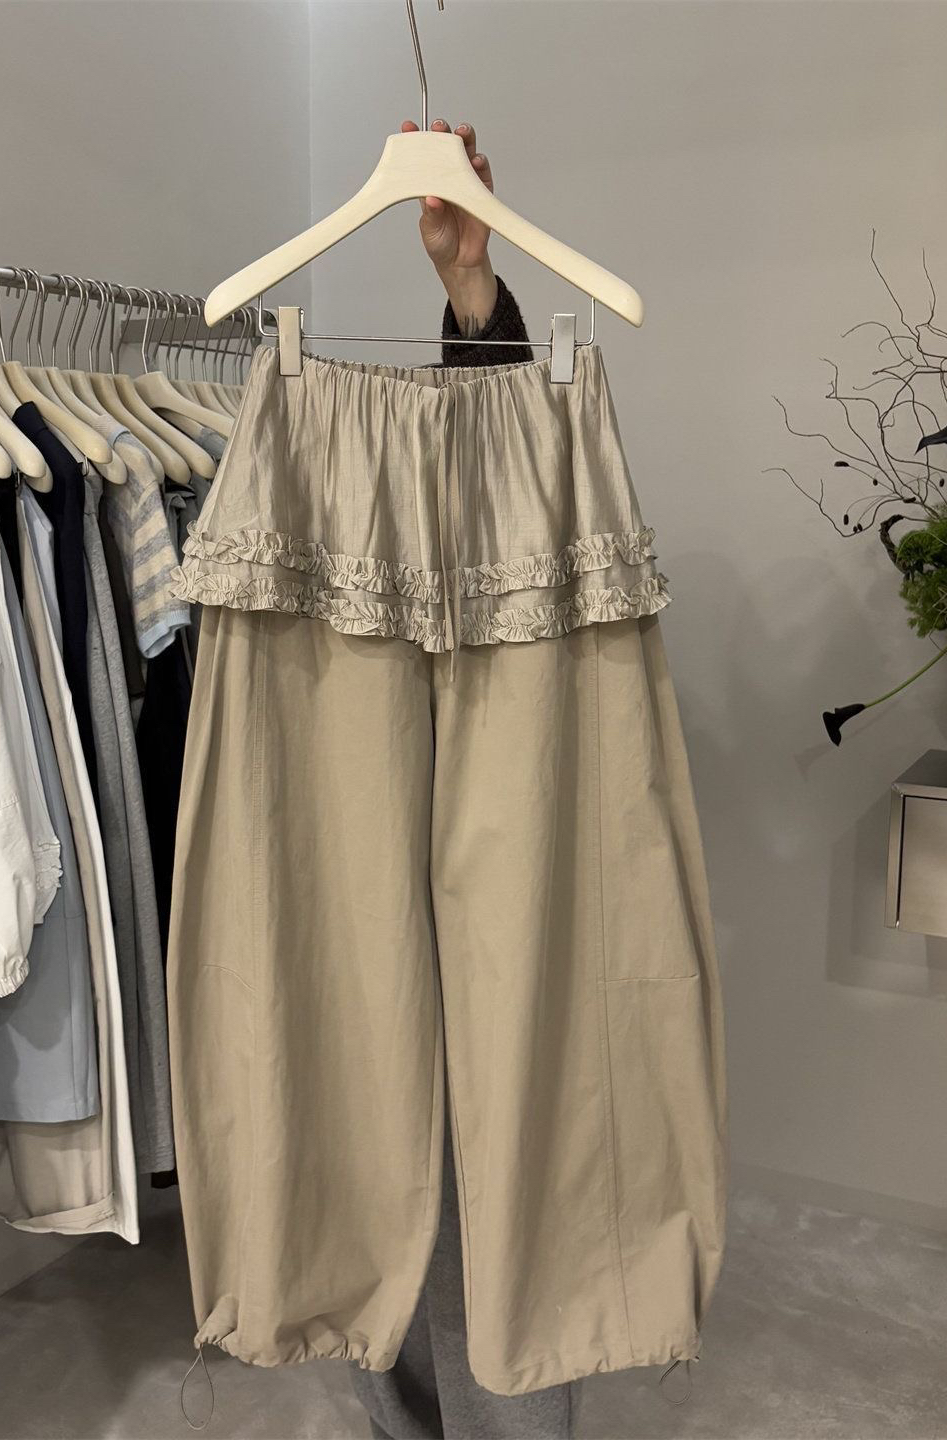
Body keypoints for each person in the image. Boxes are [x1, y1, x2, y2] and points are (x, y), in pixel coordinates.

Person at [346, 119, 579, 1440]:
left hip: (492, 731)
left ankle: (505, 1409)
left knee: (505, 1101)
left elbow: (500, 474)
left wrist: (470, 287)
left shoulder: (491, 487)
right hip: (349, 724)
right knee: (363, 1087)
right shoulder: (280, 455)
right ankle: (397, 1401)